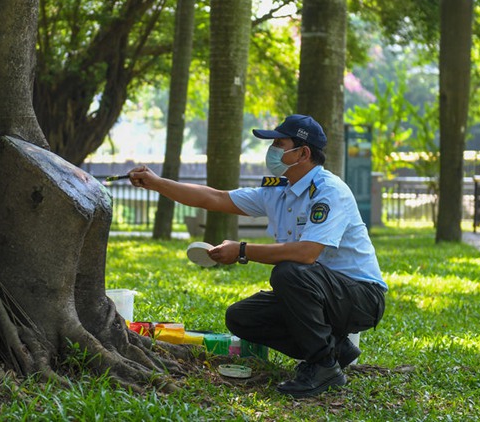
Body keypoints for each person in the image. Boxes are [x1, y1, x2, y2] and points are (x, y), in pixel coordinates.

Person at [127, 114, 387, 398]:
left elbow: (306, 253)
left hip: (361, 296)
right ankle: (335, 349)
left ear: (303, 153)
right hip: (319, 291)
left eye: (279, 144)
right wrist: (157, 183)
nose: (272, 150)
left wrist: (241, 250)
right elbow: (215, 198)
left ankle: (324, 366)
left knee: (289, 272)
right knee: (242, 317)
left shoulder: (328, 192)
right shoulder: (279, 190)